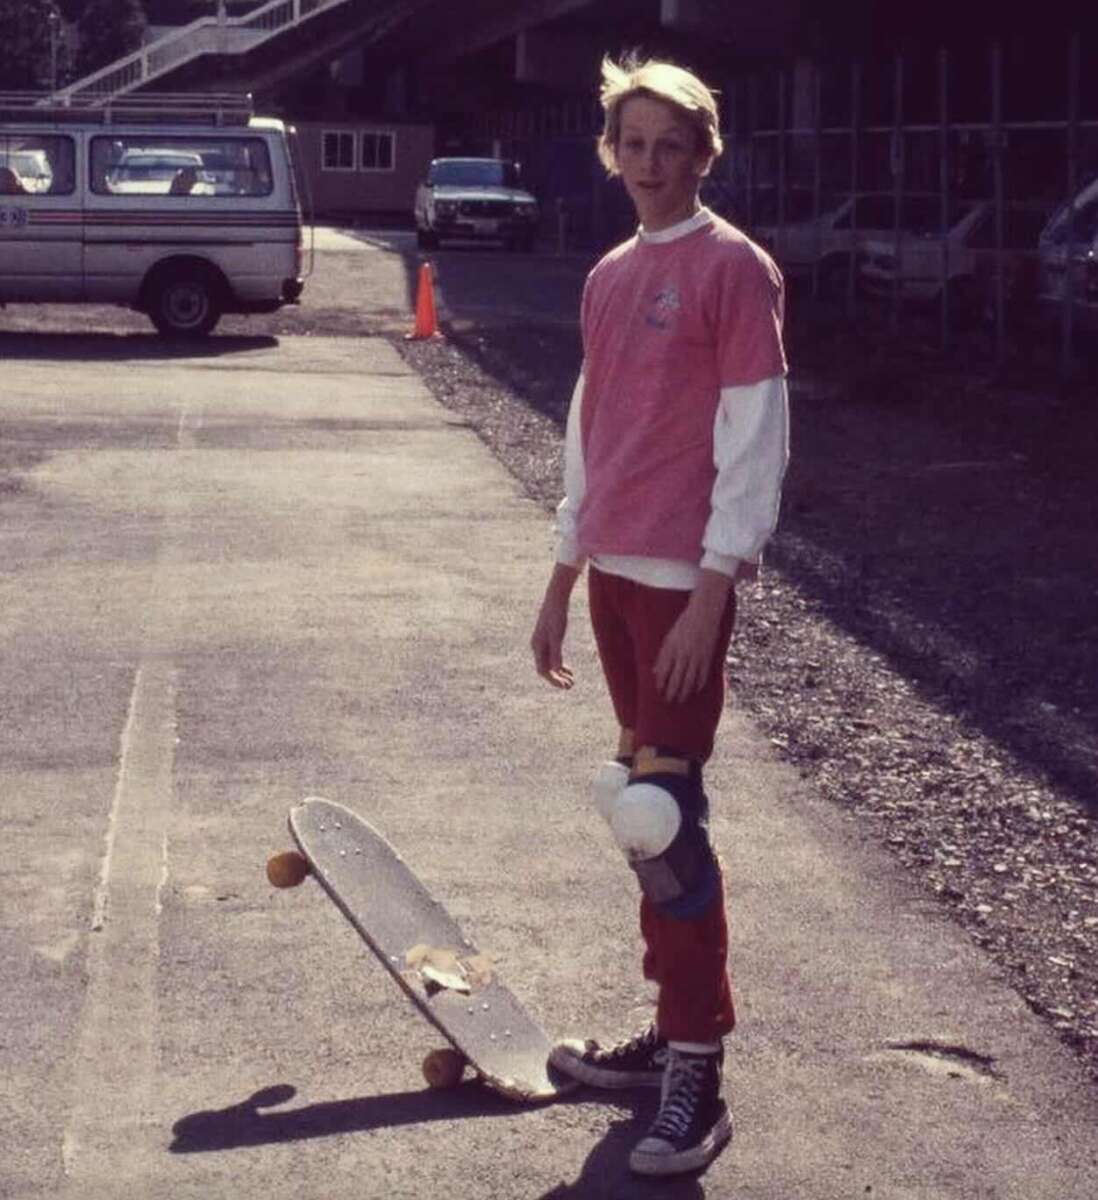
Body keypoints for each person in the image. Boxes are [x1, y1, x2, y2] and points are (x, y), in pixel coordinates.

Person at [530, 53, 789, 1178]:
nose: (649, 164)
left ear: (702, 155)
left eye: (669, 146)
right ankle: (665, 1035)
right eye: (631, 144)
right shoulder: (608, 273)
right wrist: (560, 577)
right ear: (611, 153)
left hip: (686, 581)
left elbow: (756, 436)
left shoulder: (735, 268)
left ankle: (698, 1069)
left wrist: (716, 582)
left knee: (664, 818)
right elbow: (589, 430)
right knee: (635, 807)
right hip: (615, 577)